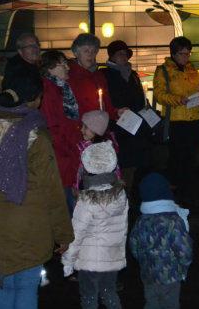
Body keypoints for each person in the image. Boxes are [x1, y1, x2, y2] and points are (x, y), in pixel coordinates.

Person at [0, 77, 73, 309]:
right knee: (26, 287)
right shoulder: (36, 136)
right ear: (34, 101)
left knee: (6, 286)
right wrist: (63, 234)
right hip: (30, 225)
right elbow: (52, 190)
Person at [62, 115, 128, 309]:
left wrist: (68, 261)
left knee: (89, 297)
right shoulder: (120, 196)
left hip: (89, 261)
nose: (82, 130)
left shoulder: (86, 200)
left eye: (86, 127)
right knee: (110, 294)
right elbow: (122, 228)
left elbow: (77, 232)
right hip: (111, 258)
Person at [129, 173, 192, 309]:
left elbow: (134, 244)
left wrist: (144, 261)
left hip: (148, 274)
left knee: (152, 303)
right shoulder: (173, 221)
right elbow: (184, 249)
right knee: (170, 304)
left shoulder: (141, 221)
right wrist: (183, 265)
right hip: (171, 276)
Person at [153, 36, 199, 204]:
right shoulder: (163, 70)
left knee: (191, 156)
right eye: (182, 54)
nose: (186, 57)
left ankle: (188, 190)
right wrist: (178, 99)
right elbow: (159, 95)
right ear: (173, 54)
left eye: (188, 54)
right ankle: (175, 190)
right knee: (176, 157)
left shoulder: (192, 69)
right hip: (176, 120)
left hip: (194, 117)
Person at [100, 40, 149, 193]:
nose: (123, 57)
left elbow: (139, 96)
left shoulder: (133, 74)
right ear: (112, 56)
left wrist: (144, 106)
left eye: (125, 54)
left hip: (135, 124)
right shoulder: (105, 74)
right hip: (119, 124)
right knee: (121, 162)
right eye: (119, 54)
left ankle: (130, 193)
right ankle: (121, 193)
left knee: (134, 163)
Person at [39, 50, 83, 212]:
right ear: (50, 68)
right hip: (60, 155)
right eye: (62, 64)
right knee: (64, 207)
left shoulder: (62, 88)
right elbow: (53, 127)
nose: (68, 68)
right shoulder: (49, 89)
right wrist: (71, 145)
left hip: (67, 153)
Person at [67, 34, 116, 119]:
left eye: (93, 52)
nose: (90, 55)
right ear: (76, 53)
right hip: (80, 126)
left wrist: (117, 113)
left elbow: (107, 105)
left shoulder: (99, 76)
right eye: (86, 51)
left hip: (99, 126)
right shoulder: (68, 74)